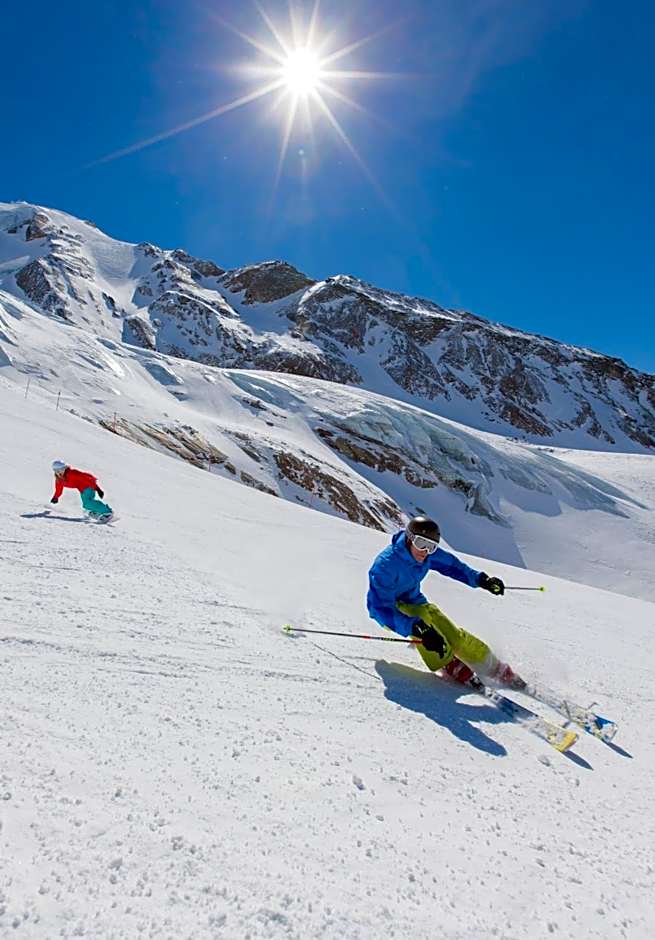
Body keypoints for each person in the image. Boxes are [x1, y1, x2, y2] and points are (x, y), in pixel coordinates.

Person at [367, 516, 525, 689]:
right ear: (409, 538)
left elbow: (453, 567)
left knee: (452, 634)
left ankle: (493, 666)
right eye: (421, 543)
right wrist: (413, 628)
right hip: (390, 610)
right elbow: (379, 607)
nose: (425, 551)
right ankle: (449, 662)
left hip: (415, 601)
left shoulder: (426, 555)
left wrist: (482, 580)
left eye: (431, 546)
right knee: (423, 622)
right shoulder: (386, 565)